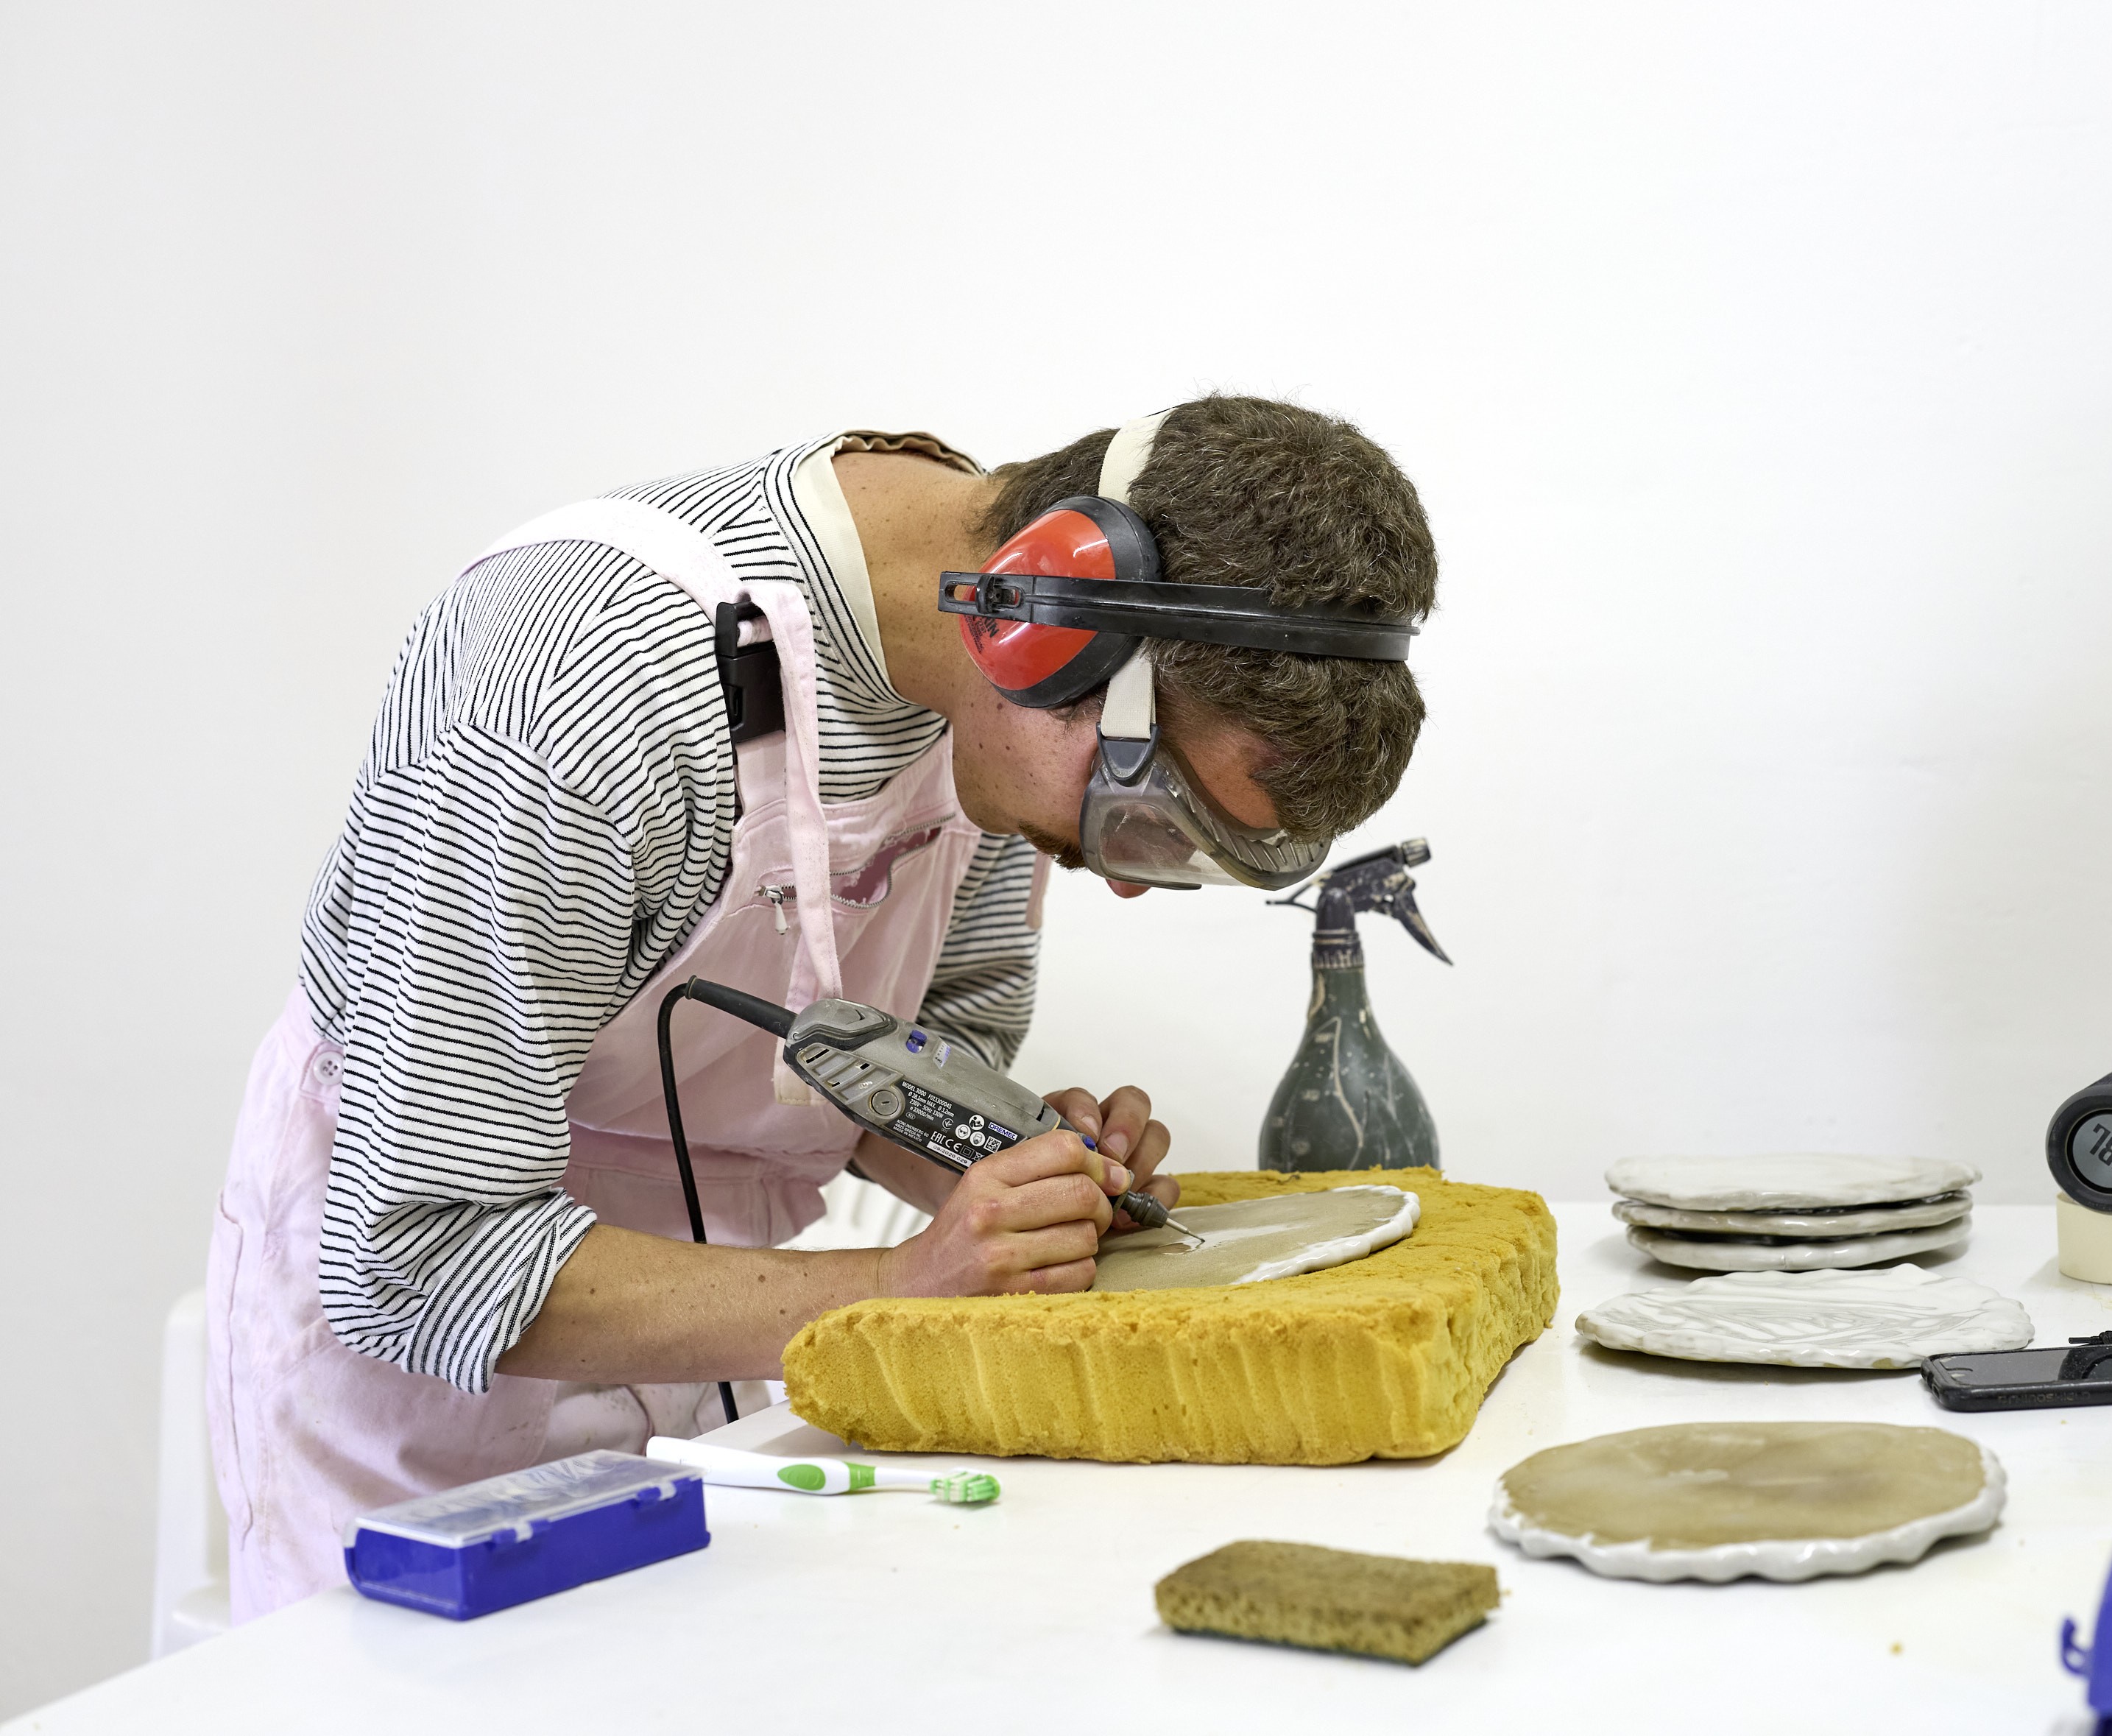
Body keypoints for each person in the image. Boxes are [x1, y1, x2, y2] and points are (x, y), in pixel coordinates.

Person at [206, 397, 1436, 1617]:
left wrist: (1004, 1158)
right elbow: (419, 1249)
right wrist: (909, 1283)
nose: (1120, 872)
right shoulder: (573, 695)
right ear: (1045, 630)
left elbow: (875, 1052)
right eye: (1145, 813)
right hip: (427, 1413)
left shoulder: (986, 715)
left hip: (724, 1363)